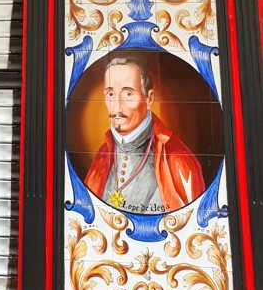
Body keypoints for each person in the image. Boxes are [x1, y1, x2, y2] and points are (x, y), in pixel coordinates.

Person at [84, 56, 205, 213]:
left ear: (149, 99)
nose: (116, 106)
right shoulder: (101, 156)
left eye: (128, 94)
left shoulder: (178, 160)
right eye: (110, 94)